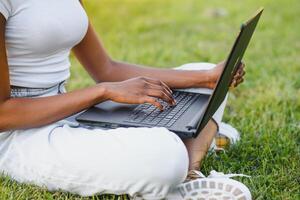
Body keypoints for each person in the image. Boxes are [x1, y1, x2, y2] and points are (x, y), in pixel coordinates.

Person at [0, 0, 250, 199]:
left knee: (203, 80)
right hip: (20, 135)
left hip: (70, 109)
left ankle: (190, 174)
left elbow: (106, 69)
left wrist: (206, 77)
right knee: (165, 155)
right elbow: (3, 114)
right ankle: (186, 144)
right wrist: (103, 92)